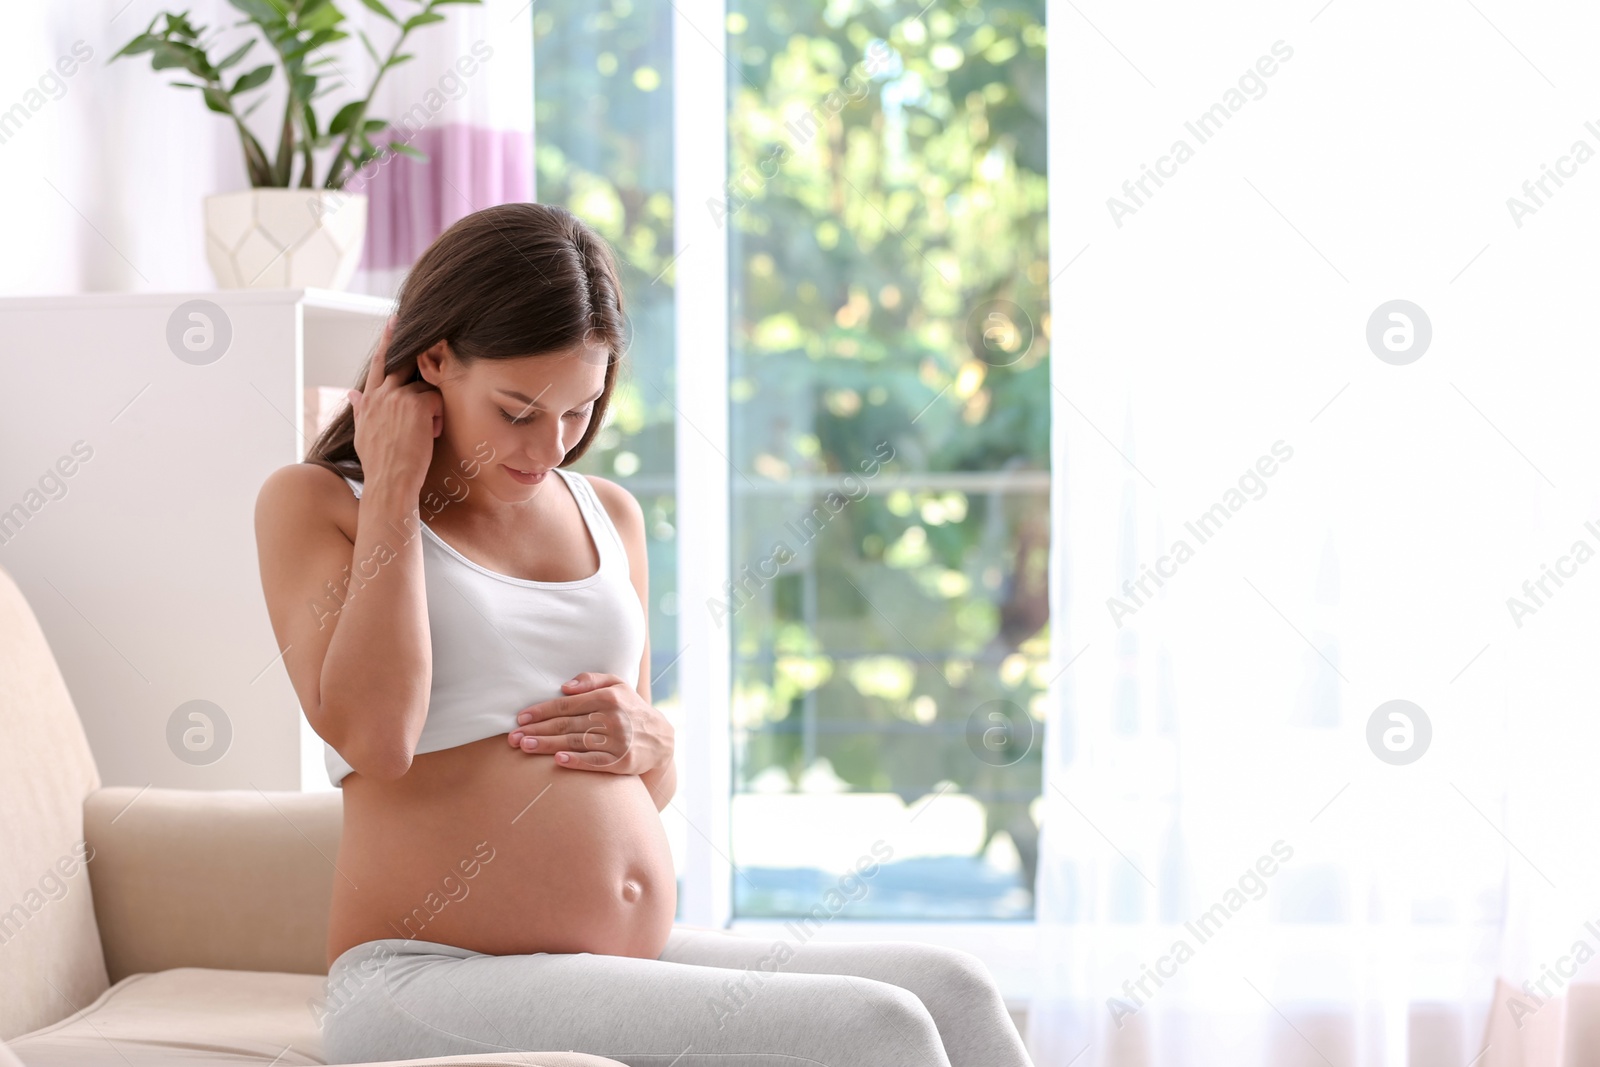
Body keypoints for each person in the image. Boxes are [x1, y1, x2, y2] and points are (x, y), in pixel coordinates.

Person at [253, 202, 1035, 1067]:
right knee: (878, 1032)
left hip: (608, 960)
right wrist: (395, 489)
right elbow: (378, 736)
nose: (550, 447)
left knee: (953, 988)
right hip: (424, 977)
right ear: (433, 358)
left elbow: (646, 782)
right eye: (518, 410)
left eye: (579, 410)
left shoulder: (607, 514)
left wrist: (652, 738)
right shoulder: (320, 504)